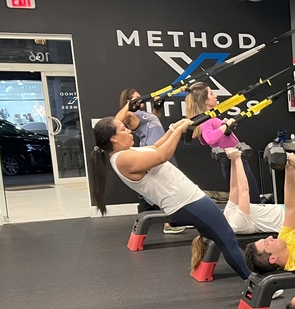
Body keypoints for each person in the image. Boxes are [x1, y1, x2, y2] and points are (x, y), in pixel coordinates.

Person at [90, 116, 250, 279]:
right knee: (228, 240)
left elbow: (155, 147)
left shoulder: (127, 152)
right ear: (114, 138)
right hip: (187, 203)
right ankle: (252, 281)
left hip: (189, 200)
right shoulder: (122, 159)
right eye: (123, 129)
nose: (129, 131)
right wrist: (179, 131)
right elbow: (161, 156)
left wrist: (173, 129)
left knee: (222, 237)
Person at [189, 147, 295, 272]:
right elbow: (244, 191)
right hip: (286, 218)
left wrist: (289, 167)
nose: (271, 237)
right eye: (267, 241)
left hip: (285, 211)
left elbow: (235, 187)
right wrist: (238, 159)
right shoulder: (236, 224)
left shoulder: (228, 215)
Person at [114, 89, 190, 234]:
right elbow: (117, 121)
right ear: (129, 101)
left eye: (140, 97)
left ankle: (153, 211)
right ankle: (169, 223)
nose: (140, 100)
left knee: (171, 183)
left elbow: (155, 122)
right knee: (165, 185)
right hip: (152, 151)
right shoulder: (130, 115)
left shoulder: (146, 114)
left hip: (163, 147)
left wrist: (156, 108)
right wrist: (129, 106)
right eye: (136, 98)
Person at [185, 81, 261, 203]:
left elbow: (204, 141)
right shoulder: (206, 120)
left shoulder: (208, 118)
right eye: (211, 93)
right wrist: (225, 125)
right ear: (205, 100)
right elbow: (210, 138)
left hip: (232, 160)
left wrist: (223, 127)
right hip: (232, 161)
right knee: (251, 195)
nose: (215, 96)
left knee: (244, 195)